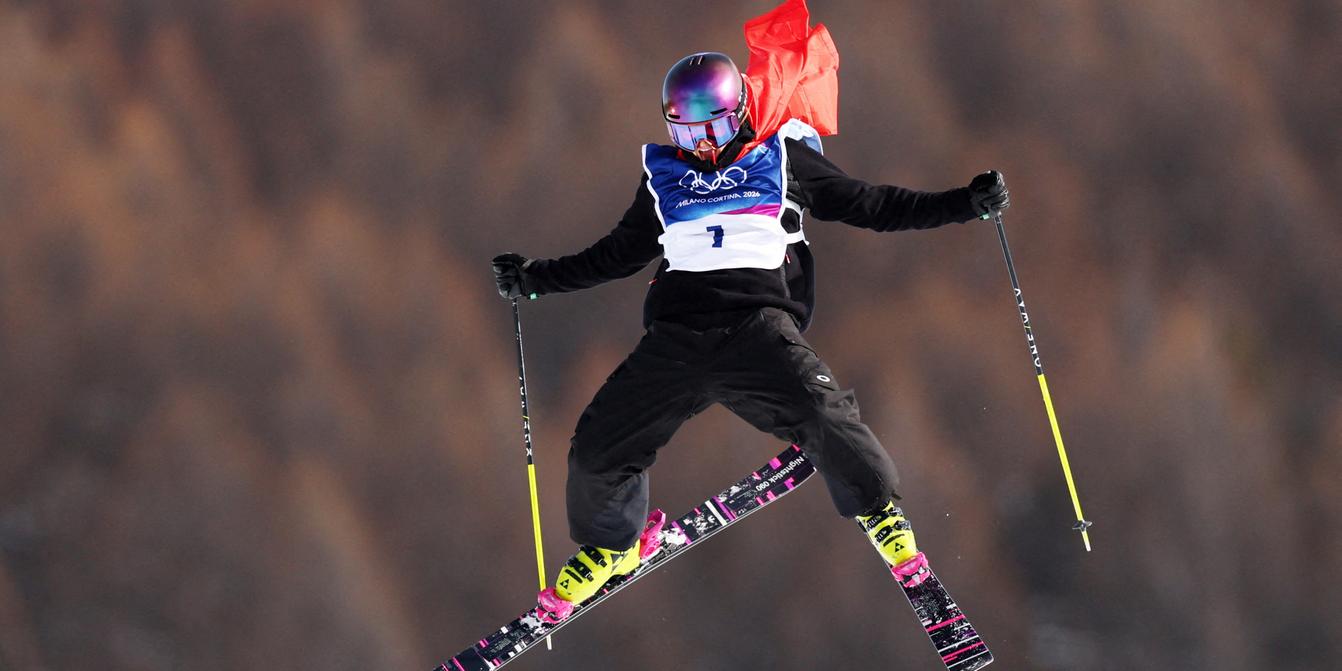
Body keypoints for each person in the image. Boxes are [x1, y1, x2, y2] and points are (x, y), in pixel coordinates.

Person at [490, 0, 1009, 622]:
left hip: (756, 331)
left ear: (738, 115)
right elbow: (615, 255)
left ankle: (882, 516)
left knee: (825, 414)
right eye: (686, 131)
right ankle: (612, 546)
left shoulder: (780, 160)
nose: (702, 144)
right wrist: (534, 281)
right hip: (677, 340)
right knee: (595, 451)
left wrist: (964, 203)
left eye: (713, 127)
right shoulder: (662, 180)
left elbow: (870, 204)